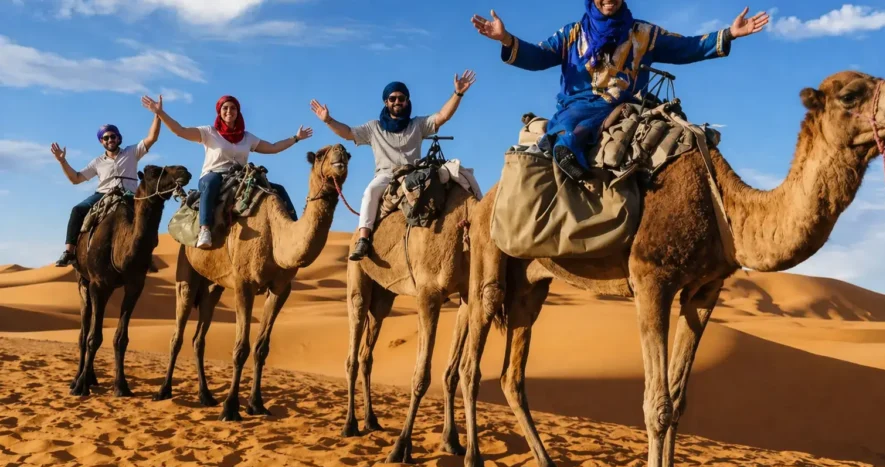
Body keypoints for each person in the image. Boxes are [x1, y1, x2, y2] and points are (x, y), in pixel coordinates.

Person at [471, 1, 769, 182]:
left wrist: (729, 33)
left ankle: (567, 147)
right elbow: (538, 56)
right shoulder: (572, 34)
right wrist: (507, 39)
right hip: (574, 104)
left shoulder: (644, 34)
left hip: (621, 105)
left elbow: (686, 47)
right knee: (572, 115)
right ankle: (566, 149)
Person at [310, 70, 476, 261]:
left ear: (407, 101)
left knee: (451, 185)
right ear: (386, 102)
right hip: (386, 176)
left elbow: (442, 116)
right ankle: (363, 238)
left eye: (401, 98)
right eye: (393, 98)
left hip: (414, 174)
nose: (397, 102)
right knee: (370, 193)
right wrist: (328, 120)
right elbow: (348, 133)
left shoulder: (417, 125)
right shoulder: (373, 128)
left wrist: (458, 94)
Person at [141, 94, 313, 249]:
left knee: (278, 189)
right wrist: (160, 113)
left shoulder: (247, 137)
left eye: (233, 108)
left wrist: (296, 138)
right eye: (225, 108)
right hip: (213, 175)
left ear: (238, 112)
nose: (229, 111)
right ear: (219, 111)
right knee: (211, 183)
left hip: (241, 177)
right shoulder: (209, 133)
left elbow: (274, 148)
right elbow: (181, 131)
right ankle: (205, 229)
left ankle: (294, 228)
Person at [51, 106, 162, 267]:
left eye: (113, 136)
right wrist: (62, 161)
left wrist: (157, 114)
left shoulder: (132, 152)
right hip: (103, 194)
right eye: (106, 138)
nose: (110, 140)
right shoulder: (97, 162)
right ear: (101, 141)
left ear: (118, 138)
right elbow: (75, 179)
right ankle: (69, 252)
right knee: (77, 210)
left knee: (147, 215)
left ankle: (146, 254)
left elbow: (152, 137)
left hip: (129, 194)